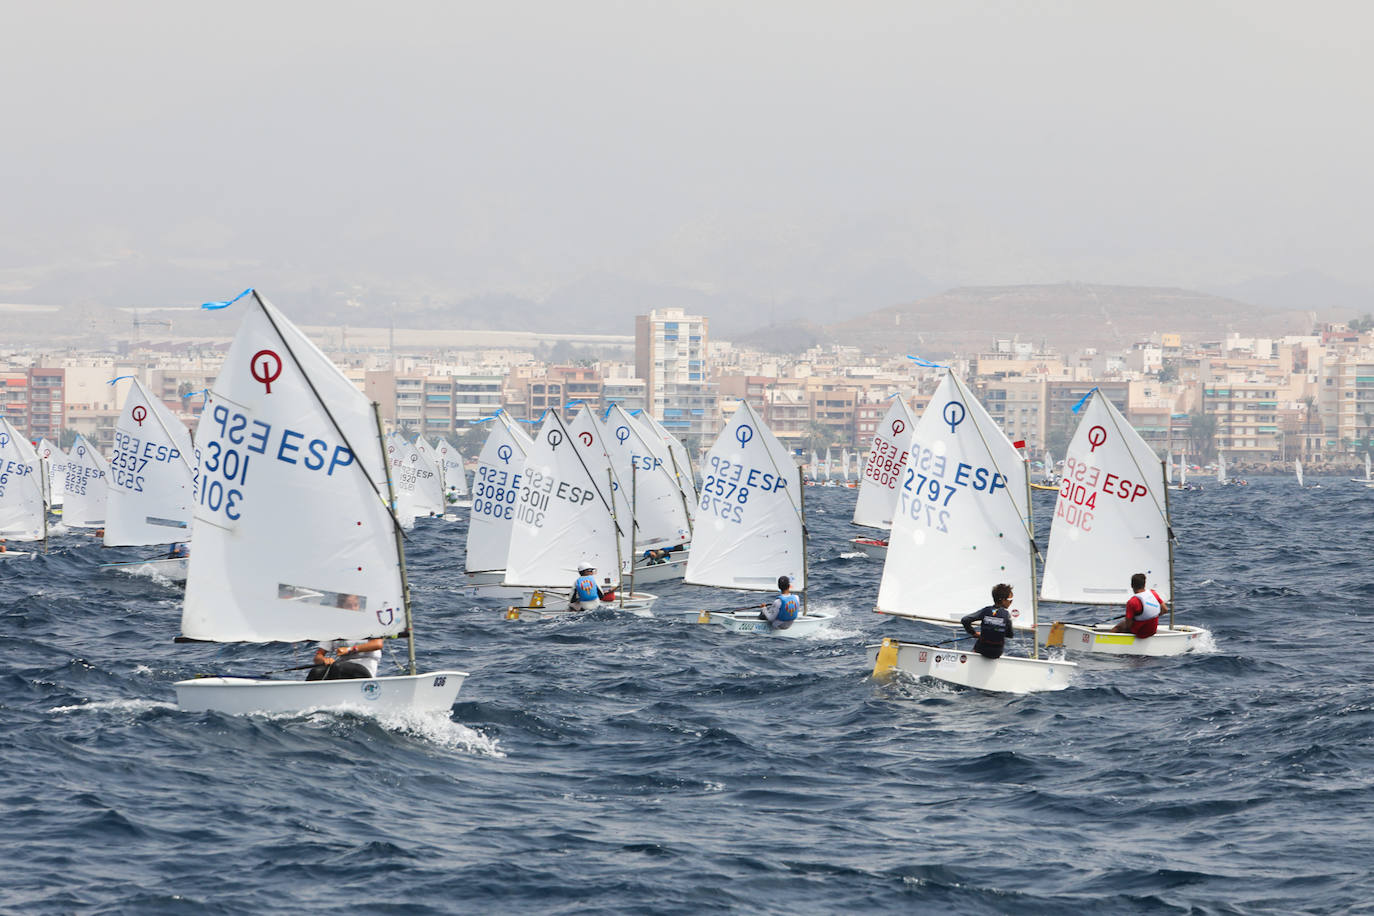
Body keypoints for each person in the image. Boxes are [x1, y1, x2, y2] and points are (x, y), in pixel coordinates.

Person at [961, 583, 1015, 659]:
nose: (1011, 602)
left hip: (981, 650)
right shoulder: (1006, 615)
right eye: (1010, 600)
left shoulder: (985, 611)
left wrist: (973, 633)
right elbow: (1010, 635)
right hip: (996, 653)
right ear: (1003, 600)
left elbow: (965, 620)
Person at [306, 634, 383, 680]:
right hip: (340, 667)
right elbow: (317, 657)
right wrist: (324, 660)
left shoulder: (369, 626)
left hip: (365, 667)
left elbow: (378, 644)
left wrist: (349, 649)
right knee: (316, 671)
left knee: (338, 667)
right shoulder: (334, 629)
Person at [1112, 573, 1166, 638]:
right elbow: (1165, 609)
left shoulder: (1132, 602)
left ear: (1132, 585)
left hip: (1140, 633)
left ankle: (1108, 641)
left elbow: (1128, 625)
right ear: (1144, 584)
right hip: (1153, 630)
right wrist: (1152, 615)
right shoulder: (1153, 593)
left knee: (1118, 627)